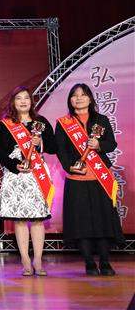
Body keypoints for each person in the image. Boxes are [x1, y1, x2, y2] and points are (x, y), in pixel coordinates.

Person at [55, 83, 123, 276]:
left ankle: (105, 262)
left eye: (83, 95)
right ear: (70, 100)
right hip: (76, 179)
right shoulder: (63, 123)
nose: (79, 98)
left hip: (100, 177)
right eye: (74, 95)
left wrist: (98, 145)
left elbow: (111, 143)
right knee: (81, 222)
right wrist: (70, 166)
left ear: (90, 98)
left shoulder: (101, 120)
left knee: (103, 221)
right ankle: (89, 263)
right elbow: (61, 149)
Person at [0, 86, 56, 276]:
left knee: (37, 219)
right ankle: (25, 259)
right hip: (16, 175)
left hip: (37, 175)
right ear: (13, 102)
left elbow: (54, 146)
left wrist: (40, 143)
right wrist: (14, 165)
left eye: (26, 98)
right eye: (18, 98)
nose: (23, 101)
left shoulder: (41, 122)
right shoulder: (6, 124)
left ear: (31, 101)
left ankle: (38, 259)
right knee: (19, 220)